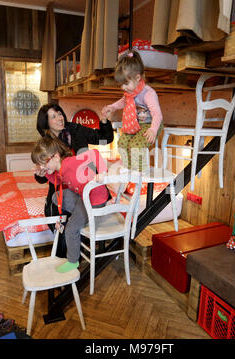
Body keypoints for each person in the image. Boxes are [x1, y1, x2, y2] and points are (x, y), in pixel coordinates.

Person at [35, 103, 114, 257]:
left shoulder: (77, 130)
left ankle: (74, 254)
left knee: (73, 221)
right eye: (53, 116)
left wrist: (104, 120)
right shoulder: (46, 144)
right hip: (61, 188)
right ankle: (65, 256)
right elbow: (44, 178)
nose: (60, 118)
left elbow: (104, 140)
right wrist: (40, 172)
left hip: (85, 187)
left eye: (59, 113)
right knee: (56, 216)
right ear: (46, 124)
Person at [31, 133, 109, 273]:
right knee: (56, 197)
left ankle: (73, 261)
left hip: (94, 199)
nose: (42, 166)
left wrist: (102, 173)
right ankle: (82, 217)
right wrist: (46, 173)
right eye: (40, 164)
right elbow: (58, 182)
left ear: (55, 156)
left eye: (44, 163)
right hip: (83, 197)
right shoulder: (60, 169)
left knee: (71, 229)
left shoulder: (71, 162)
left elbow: (95, 154)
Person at [101, 50, 163, 172]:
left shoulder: (148, 93)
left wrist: (153, 130)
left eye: (125, 84)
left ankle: (139, 170)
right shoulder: (130, 93)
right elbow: (123, 101)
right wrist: (112, 107)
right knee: (122, 143)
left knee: (136, 146)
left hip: (150, 125)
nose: (123, 88)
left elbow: (158, 114)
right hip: (136, 125)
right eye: (121, 85)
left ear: (137, 77)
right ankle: (128, 168)